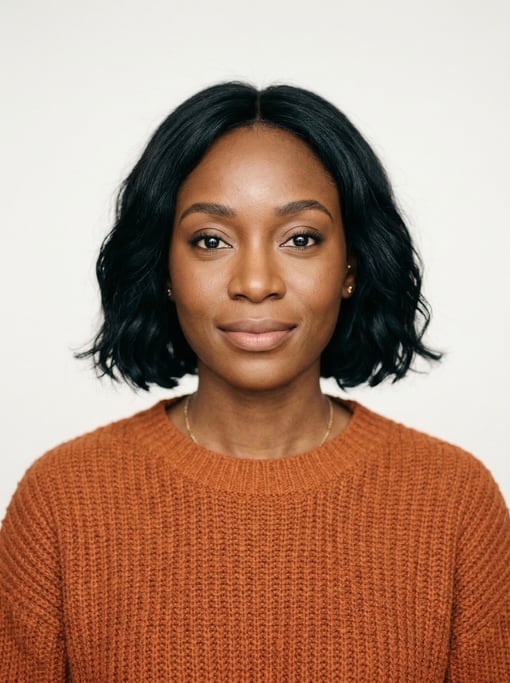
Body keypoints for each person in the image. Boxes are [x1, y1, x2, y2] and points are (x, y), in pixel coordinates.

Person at [1, 82, 509, 682]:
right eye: (210, 241)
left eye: (300, 238)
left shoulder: (454, 504)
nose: (257, 281)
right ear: (165, 268)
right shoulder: (62, 503)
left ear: (351, 267)